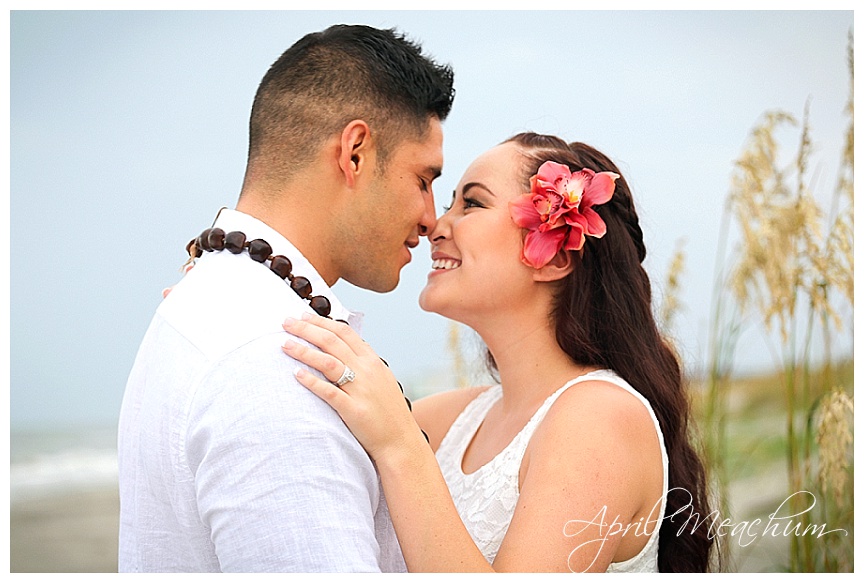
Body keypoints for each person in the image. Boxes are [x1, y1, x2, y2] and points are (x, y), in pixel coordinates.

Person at [281, 133, 716, 572]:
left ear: (553, 257)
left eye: (471, 203)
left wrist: (399, 447)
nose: (435, 224)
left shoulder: (601, 417)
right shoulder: (444, 421)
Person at [118, 24, 454, 572]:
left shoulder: (212, 306)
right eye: (423, 179)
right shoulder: (282, 367)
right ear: (355, 154)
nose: (430, 218)